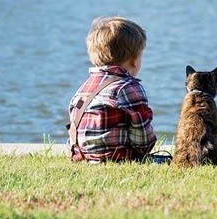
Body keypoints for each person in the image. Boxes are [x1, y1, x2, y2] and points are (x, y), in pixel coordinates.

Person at [67, 16, 158, 163]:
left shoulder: (85, 87)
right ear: (134, 60)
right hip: (117, 159)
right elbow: (143, 142)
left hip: (83, 158)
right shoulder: (128, 87)